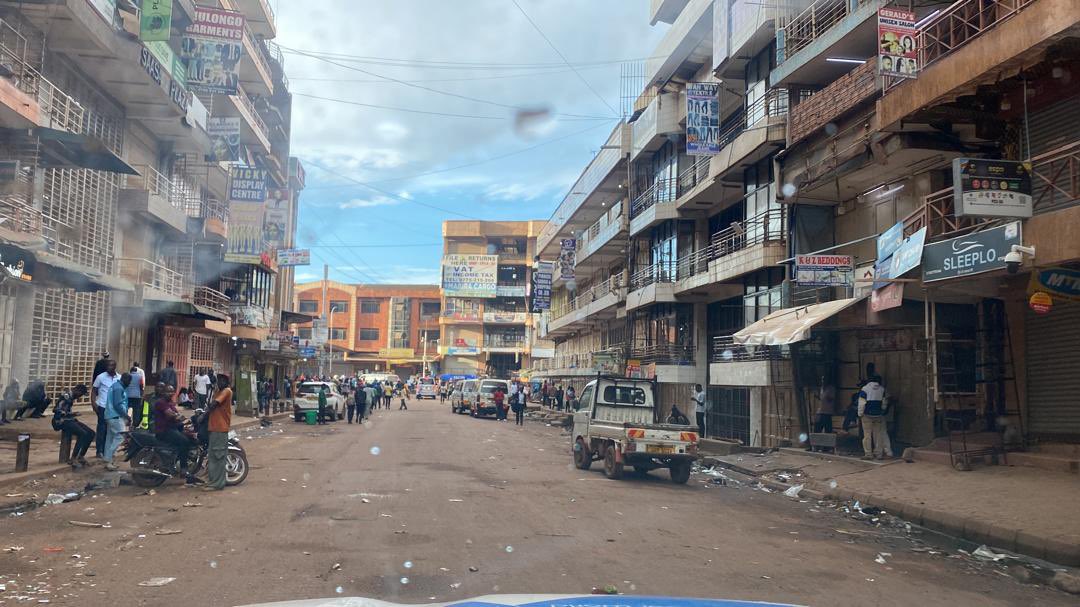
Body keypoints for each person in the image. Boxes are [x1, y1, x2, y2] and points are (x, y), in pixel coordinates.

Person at [152, 383, 199, 484]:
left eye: (172, 391)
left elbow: (177, 414)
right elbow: (171, 414)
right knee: (184, 441)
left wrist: (187, 420)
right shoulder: (161, 402)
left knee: (190, 436)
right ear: (164, 392)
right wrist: (183, 419)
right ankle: (183, 469)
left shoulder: (170, 403)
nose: (170, 393)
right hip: (164, 431)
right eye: (168, 391)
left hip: (172, 428)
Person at [52, 384, 93, 468]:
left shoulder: (71, 397)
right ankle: (73, 458)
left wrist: (72, 415)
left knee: (91, 433)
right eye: (80, 394)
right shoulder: (66, 396)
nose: (79, 397)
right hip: (60, 421)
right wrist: (71, 414)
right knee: (82, 434)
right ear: (77, 390)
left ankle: (81, 456)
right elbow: (56, 410)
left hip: (69, 419)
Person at [204, 374, 233, 491]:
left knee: (218, 456)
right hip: (214, 427)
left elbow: (214, 404)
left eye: (222, 380)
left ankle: (217, 483)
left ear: (226, 382)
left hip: (220, 428)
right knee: (212, 457)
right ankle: (212, 480)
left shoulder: (226, 391)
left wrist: (203, 415)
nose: (219, 382)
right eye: (218, 380)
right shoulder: (218, 391)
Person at [102, 372, 131, 471]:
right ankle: (108, 458)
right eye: (129, 381)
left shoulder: (115, 386)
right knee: (120, 437)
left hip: (110, 415)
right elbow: (117, 404)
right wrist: (126, 416)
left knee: (110, 438)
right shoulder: (119, 388)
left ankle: (108, 461)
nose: (129, 383)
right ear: (125, 380)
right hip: (115, 416)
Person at [858, 374, 891, 460]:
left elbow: (862, 403)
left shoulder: (865, 389)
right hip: (878, 415)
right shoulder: (882, 389)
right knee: (878, 435)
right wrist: (882, 411)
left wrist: (860, 414)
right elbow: (884, 403)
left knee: (867, 435)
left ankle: (868, 454)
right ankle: (878, 454)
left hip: (867, 415)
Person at [92, 360, 120, 459]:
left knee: (112, 430)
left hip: (114, 408)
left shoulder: (119, 378)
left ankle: (109, 450)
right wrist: (94, 403)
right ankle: (99, 451)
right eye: (108, 366)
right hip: (102, 406)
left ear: (115, 366)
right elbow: (94, 391)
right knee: (102, 429)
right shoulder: (100, 377)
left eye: (111, 365)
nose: (109, 367)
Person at [127, 363, 145, 428]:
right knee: (136, 410)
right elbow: (141, 385)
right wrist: (141, 393)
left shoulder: (128, 375)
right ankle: (134, 424)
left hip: (128, 395)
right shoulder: (140, 376)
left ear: (131, 371)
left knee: (127, 408)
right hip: (137, 396)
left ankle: (128, 420)